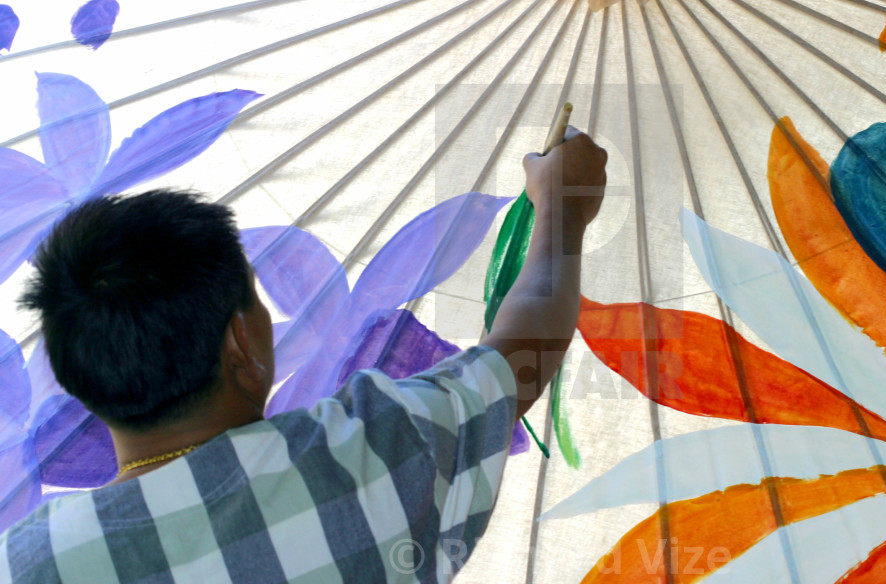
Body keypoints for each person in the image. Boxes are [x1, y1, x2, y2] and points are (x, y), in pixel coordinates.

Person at [0, 126, 608, 584]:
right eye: (258, 299)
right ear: (243, 343)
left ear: (79, 375)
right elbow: (522, 353)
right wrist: (563, 206)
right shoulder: (360, 454)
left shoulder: (29, 560)